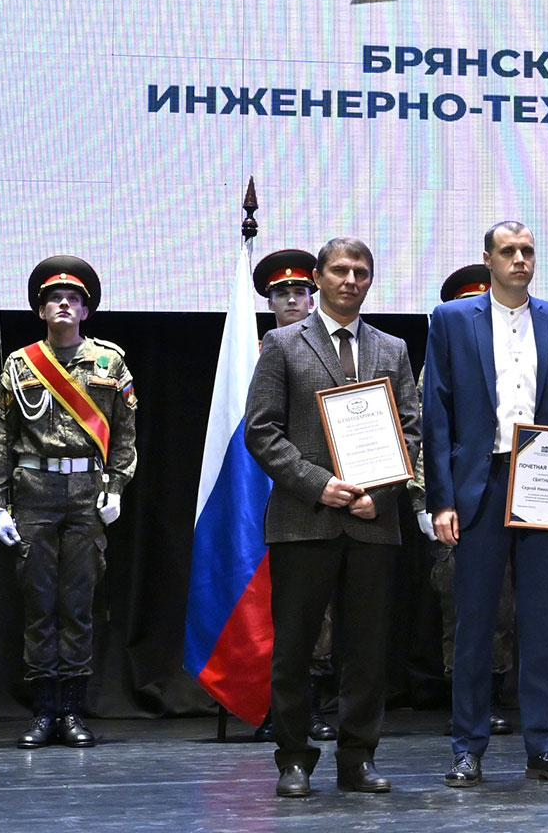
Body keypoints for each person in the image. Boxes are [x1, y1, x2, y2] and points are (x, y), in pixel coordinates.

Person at [245, 237, 421, 798]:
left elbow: (410, 431)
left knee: (366, 652)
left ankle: (358, 758)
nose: (350, 280)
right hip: (303, 518)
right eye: (340, 270)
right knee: (295, 649)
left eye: (360, 272)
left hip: (372, 520)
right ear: (318, 277)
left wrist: (381, 494)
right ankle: (294, 759)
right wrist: (321, 485)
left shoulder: (392, 348)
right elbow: (261, 431)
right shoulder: (282, 343)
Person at [424, 221, 548, 787]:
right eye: (508, 251)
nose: (520, 259)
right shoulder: (451, 319)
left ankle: (543, 744)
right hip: (481, 482)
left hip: (545, 479)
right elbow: (438, 413)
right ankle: (467, 746)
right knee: (474, 622)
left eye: (527, 251)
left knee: (540, 621)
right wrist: (441, 499)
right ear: (488, 259)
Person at [0, 257, 139, 748]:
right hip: (34, 491)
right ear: (41, 310)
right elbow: (0, 438)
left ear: (86, 311)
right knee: (39, 604)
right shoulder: (21, 364)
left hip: (87, 493)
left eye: (74, 299)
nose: (65, 305)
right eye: (55, 299)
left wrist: (116, 486)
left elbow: (125, 434)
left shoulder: (109, 363)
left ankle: (71, 710)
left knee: (77, 604)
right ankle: (43, 711)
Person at [408, 263, 516, 737]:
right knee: (461, 604)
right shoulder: (441, 363)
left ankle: (491, 696)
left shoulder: (517, 355)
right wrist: (424, 500)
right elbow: (425, 436)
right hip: (457, 503)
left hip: (512, 497)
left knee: (504, 606)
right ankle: (465, 701)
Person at [247, 249, 336, 744]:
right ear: (270, 302)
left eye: (300, 291)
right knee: (265, 605)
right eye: (282, 293)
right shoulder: (252, 354)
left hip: (313, 494)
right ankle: (266, 704)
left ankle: (312, 706)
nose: (292, 301)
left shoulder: (331, 352)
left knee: (315, 613)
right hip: (260, 494)